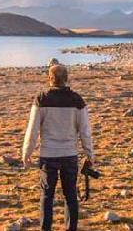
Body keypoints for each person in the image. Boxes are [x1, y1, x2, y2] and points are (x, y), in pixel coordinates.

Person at [22, 64, 95, 231]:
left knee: (46, 196)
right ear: (66, 79)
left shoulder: (41, 98)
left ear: (49, 78)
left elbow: (32, 129)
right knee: (70, 197)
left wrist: (26, 152)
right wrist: (89, 154)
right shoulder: (77, 100)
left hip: (48, 156)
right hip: (70, 155)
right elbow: (85, 131)